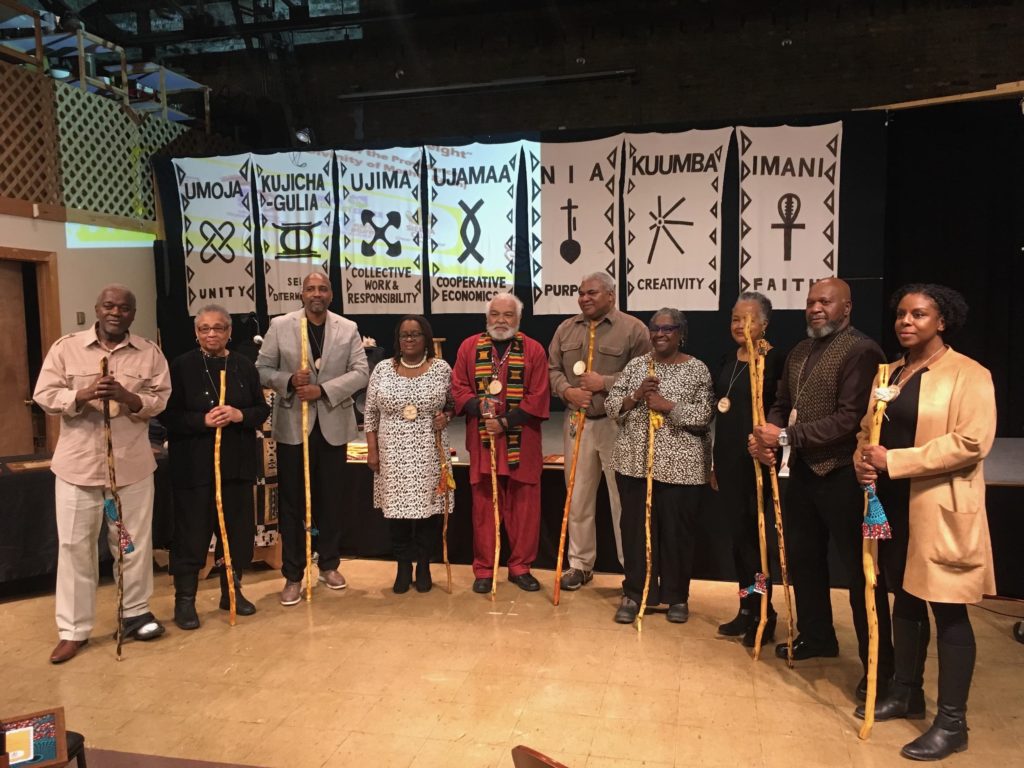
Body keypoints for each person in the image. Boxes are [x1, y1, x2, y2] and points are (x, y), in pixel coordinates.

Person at [854, 284, 996, 761]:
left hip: (938, 508)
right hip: (892, 506)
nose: (906, 322)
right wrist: (863, 459)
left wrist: (895, 460)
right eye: (901, 315)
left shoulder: (969, 374)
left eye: (918, 314)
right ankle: (906, 691)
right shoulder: (890, 372)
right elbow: (868, 429)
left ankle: (952, 723)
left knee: (948, 609)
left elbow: (972, 442)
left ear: (943, 321)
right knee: (906, 598)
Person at [750, 278, 894, 698]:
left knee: (860, 574)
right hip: (802, 477)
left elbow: (850, 419)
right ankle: (817, 636)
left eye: (825, 301)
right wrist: (768, 429)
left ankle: (878, 669)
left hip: (845, 477)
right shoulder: (799, 350)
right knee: (804, 561)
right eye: (811, 301)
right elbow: (781, 401)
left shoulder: (862, 350)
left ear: (846, 307)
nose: (815, 307)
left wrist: (784, 438)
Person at [33, 284, 171, 663]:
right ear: (97, 308)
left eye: (124, 307)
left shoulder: (149, 353)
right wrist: (82, 395)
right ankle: (74, 630)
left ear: (132, 313)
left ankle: (135, 614)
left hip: (131, 467)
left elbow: (161, 399)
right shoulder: (66, 348)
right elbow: (44, 395)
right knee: (75, 548)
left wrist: (129, 399)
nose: (116, 312)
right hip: (78, 467)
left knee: (131, 544)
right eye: (109, 305)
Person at [256, 273, 369, 605]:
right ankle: (293, 574)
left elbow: (361, 372)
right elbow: (261, 369)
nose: (316, 294)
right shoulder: (281, 326)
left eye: (322, 289)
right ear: (301, 294)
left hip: (333, 427)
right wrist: (289, 380)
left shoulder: (346, 328)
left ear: (331, 294)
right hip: (294, 427)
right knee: (293, 503)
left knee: (331, 499)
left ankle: (329, 564)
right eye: (310, 289)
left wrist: (323, 390)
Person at [162, 305, 270, 629]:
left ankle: (231, 592)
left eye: (219, 328)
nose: (212, 334)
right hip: (194, 468)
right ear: (196, 332)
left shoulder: (243, 366)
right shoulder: (180, 367)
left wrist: (239, 415)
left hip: (235, 466)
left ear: (229, 332)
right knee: (191, 535)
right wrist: (202, 420)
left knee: (236, 535)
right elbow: (166, 416)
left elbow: (260, 409)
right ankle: (185, 601)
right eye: (205, 328)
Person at [606, 308, 714, 625]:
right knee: (636, 533)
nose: (660, 333)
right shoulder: (637, 366)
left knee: (677, 535)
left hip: (682, 469)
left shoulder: (698, 370)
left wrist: (667, 405)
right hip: (635, 466)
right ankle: (635, 593)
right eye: (655, 328)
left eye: (669, 328)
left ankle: (676, 597)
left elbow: (704, 416)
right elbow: (612, 406)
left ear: (682, 333)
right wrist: (637, 394)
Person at [548, 272, 650, 590]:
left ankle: (631, 570)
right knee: (577, 496)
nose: (584, 298)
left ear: (610, 295)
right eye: (580, 293)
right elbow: (552, 370)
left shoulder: (633, 329)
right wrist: (568, 392)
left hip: (617, 423)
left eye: (591, 293)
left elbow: (647, 373)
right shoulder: (565, 329)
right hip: (577, 421)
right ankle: (580, 565)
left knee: (621, 498)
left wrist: (603, 383)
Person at [451, 292, 550, 594]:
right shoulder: (469, 347)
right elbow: (459, 387)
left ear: (519, 320)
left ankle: (520, 567)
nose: (501, 320)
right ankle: (484, 567)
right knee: (484, 507)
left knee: (524, 507)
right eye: (495, 314)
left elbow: (539, 395)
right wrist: (483, 411)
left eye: (508, 315)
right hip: (483, 441)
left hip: (523, 439)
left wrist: (505, 421)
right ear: (486, 318)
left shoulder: (533, 350)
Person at [712, 292, 784, 646]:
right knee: (739, 542)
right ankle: (745, 608)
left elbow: (783, 411)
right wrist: (714, 462)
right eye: (735, 319)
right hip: (727, 463)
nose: (740, 326)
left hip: (757, 464)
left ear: (765, 324)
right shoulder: (729, 359)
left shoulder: (774, 361)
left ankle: (765, 610)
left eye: (748, 319)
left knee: (756, 545)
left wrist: (771, 443)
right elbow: (721, 414)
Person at [365, 315, 454, 594]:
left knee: (428, 514)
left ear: (426, 338)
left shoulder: (441, 368)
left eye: (416, 334)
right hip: (392, 453)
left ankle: (424, 565)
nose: (410, 339)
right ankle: (403, 566)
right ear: (397, 339)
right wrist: (372, 450)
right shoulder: (382, 369)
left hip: (429, 452)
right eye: (405, 335)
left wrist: (446, 416)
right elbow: (370, 413)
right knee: (397, 515)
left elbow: (453, 403)